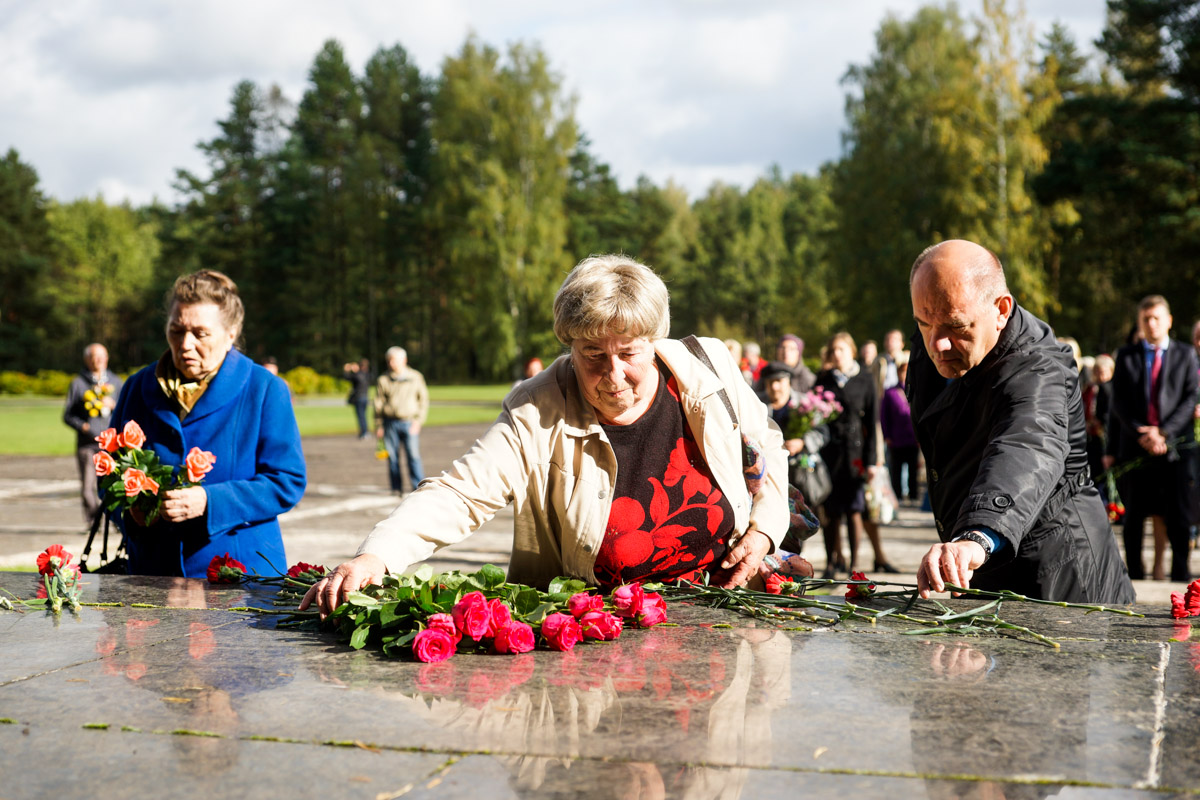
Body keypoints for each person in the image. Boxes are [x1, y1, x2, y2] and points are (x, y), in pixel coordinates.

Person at [302, 255, 792, 616]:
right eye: (592, 353)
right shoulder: (537, 406)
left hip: (722, 606)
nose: (614, 372)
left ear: (655, 340)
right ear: (569, 344)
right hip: (603, 631)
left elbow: (764, 442)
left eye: (630, 352)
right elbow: (460, 493)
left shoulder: (707, 366)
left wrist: (766, 530)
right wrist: (377, 554)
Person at [907, 239, 1134, 603]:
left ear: (1001, 309)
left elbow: (1028, 443)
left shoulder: (1040, 368)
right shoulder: (939, 329)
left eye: (955, 327)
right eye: (923, 323)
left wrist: (978, 535)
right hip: (978, 563)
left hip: (1058, 578)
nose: (937, 345)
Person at [108, 270, 306, 577]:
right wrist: (132, 514)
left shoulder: (265, 389)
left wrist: (211, 501)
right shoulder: (136, 387)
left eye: (200, 333)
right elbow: (107, 476)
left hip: (241, 580)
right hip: (152, 575)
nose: (185, 344)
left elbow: (287, 480)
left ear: (231, 333)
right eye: (176, 330)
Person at [1108, 295, 1199, 583]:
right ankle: (1134, 577)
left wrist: (1164, 432)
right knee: (1134, 517)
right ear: (1140, 323)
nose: (1151, 323)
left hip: (1175, 451)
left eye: (1156, 317)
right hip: (1135, 448)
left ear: (1168, 321)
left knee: (1179, 517)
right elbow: (1118, 402)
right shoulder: (1126, 356)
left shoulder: (1186, 355)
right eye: (1145, 319)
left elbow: (1190, 399)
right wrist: (1143, 433)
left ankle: (1180, 574)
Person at [814, 332, 895, 576]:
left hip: (856, 453)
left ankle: (853, 565)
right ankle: (830, 563)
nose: (837, 355)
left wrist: (872, 461)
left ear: (851, 351)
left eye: (841, 349)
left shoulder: (864, 379)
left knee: (854, 509)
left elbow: (872, 421)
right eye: (833, 350)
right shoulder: (824, 379)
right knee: (829, 511)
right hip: (829, 452)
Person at [63, 343, 124, 522]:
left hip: (111, 445)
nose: (97, 360)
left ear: (107, 358)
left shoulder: (116, 382)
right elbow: (67, 415)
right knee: (87, 488)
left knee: (114, 485)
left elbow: (126, 411)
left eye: (101, 356)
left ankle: (115, 521)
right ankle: (94, 521)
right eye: (93, 357)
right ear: (86, 360)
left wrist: (114, 405)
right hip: (87, 444)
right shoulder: (78, 383)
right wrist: (83, 427)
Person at [374, 347, 429, 494]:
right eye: (389, 360)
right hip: (389, 423)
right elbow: (378, 404)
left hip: (410, 422)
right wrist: (379, 425)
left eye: (394, 360)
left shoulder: (416, 377)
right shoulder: (383, 379)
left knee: (413, 456)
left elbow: (423, 401)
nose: (391, 363)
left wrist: (418, 421)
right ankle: (396, 488)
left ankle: (418, 487)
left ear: (404, 360)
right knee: (392, 458)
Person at [879, 353, 919, 505]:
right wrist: (887, 435)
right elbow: (884, 416)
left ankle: (914, 495)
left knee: (913, 469)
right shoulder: (890, 393)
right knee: (896, 469)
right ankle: (898, 496)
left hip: (913, 437)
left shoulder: (916, 391)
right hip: (896, 437)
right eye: (901, 371)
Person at [343, 358, 372, 439]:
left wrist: (347, 370)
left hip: (359, 398)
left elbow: (346, 378)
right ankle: (365, 431)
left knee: (360, 416)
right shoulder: (367, 374)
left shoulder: (357, 375)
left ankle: (364, 432)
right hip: (365, 398)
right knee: (363, 416)